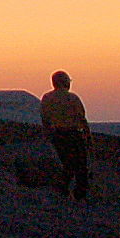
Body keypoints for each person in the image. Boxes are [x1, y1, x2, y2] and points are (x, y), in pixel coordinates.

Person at [40, 70, 91, 201]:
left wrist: (47, 136)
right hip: (73, 135)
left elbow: (45, 119)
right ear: (65, 82)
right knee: (80, 167)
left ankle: (62, 191)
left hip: (57, 135)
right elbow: (82, 119)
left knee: (65, 164)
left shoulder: (46, 98)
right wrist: (88, 138)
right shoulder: (72, 98)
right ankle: (79, 195)